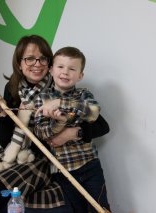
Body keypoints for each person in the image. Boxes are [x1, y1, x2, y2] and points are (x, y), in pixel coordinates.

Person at [0, 35, 109, 213]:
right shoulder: (13, 88)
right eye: (29, 58)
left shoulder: (60, 85)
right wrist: (0, 112)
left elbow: (101, 124)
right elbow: (6, 141)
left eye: (42, 58)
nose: (37, 63)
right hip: (13, 151)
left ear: (49, 65)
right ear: (19, 63)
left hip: (41, 157)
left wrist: (70, 133)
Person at [34, 46, 111, 213]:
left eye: (72, 69)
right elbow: (41, 133)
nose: (65, 72)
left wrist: (61, 103)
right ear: (51, 70)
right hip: (63, 171)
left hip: (90, 165)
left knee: (100, 208)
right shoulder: (42, 99)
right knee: (77, 210)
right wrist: (59, 123)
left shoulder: (84, 95)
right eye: (60, 67)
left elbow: (93, 113)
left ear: (80, 75)